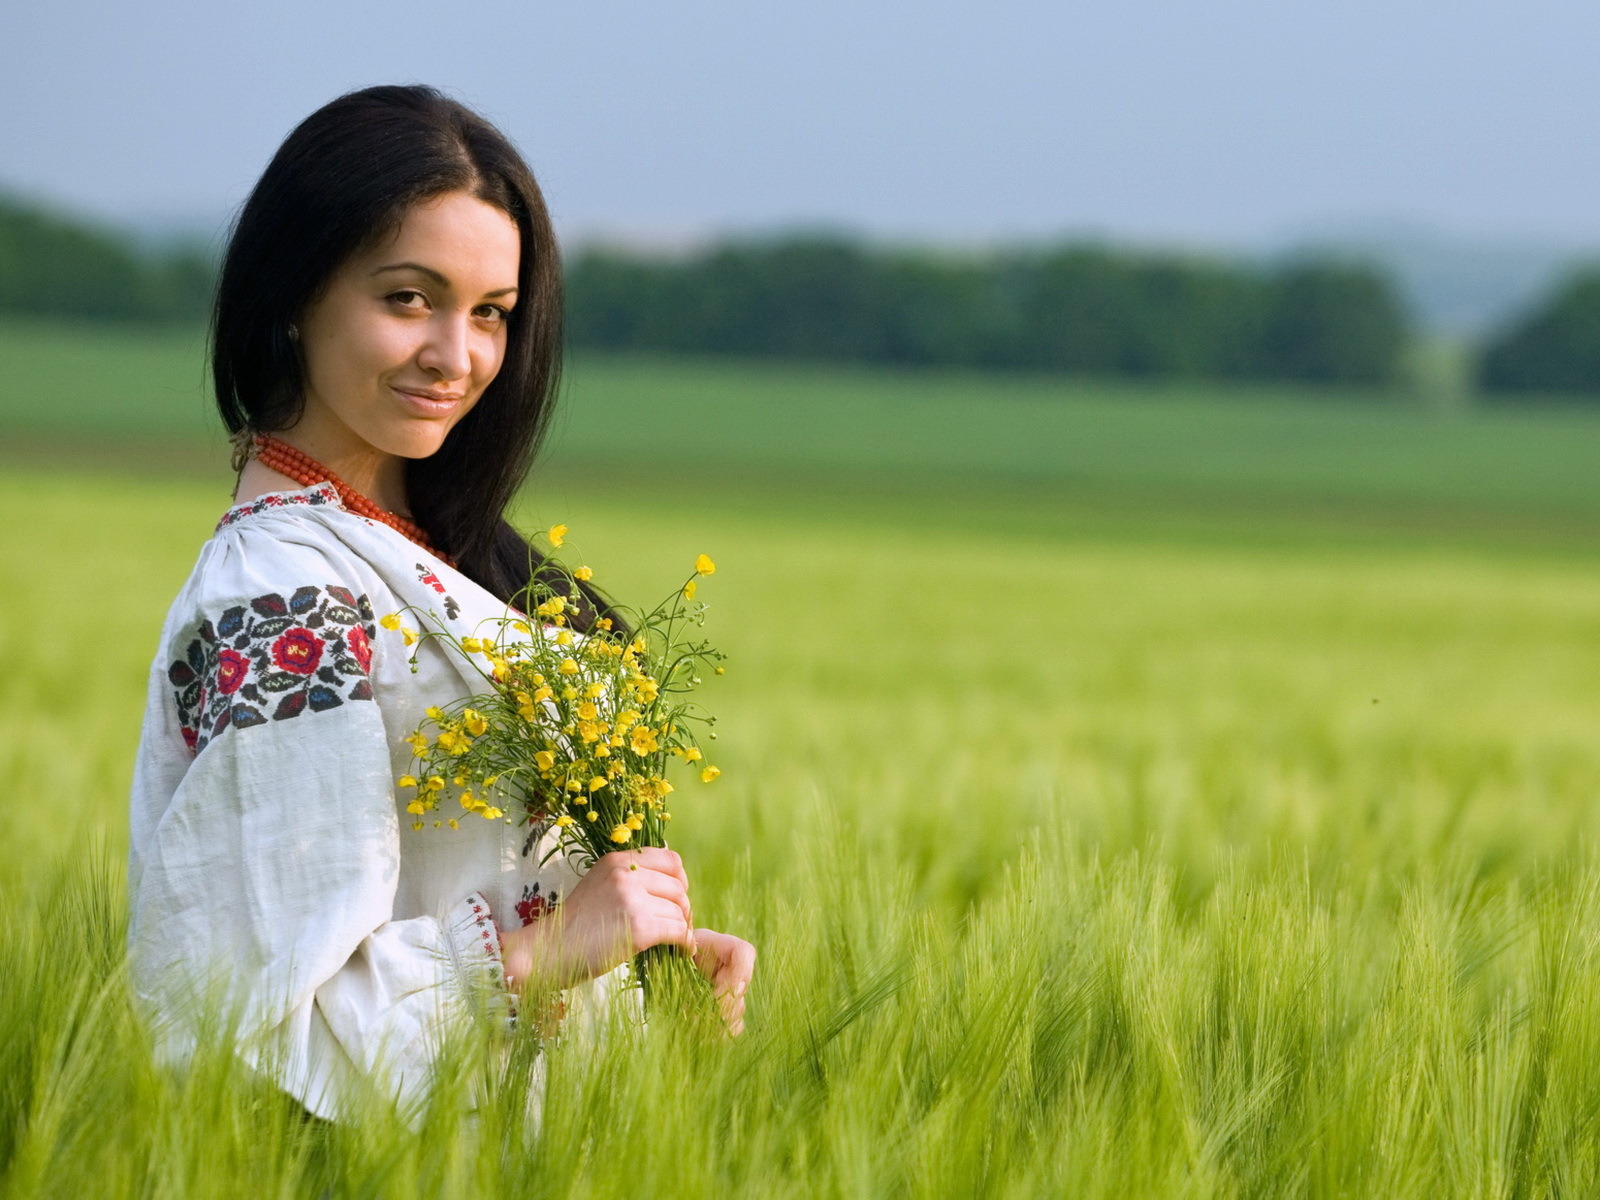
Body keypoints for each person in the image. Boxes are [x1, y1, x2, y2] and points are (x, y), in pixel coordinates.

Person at [127, 84, 755, 1120]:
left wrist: (645, 965)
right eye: (407, 298)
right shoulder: (287, 599)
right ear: (295, 293)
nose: (455, 358)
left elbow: (482, 869)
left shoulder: (437, 551)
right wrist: (552, 950)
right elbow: (252, 1023)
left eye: (491, 314)